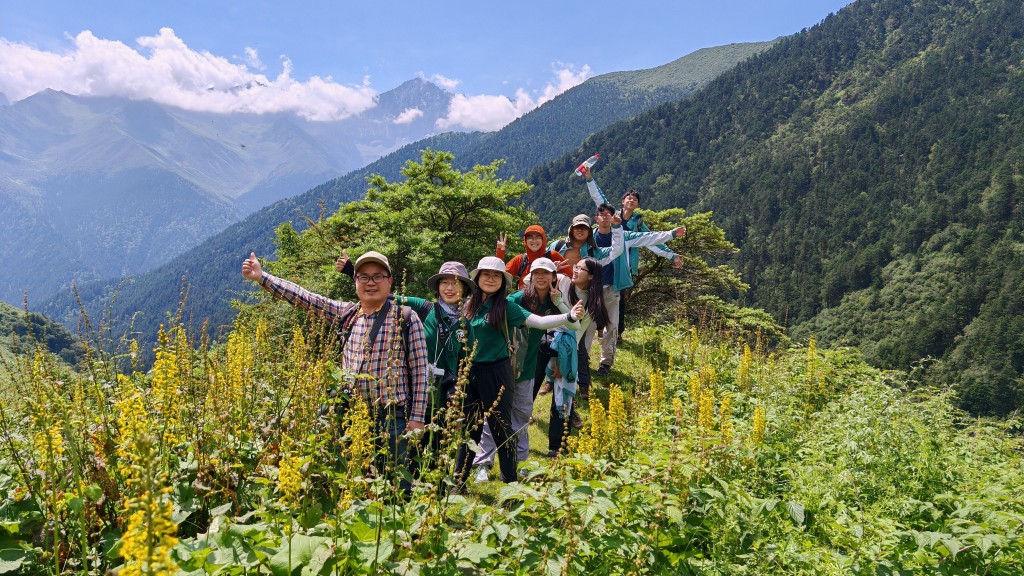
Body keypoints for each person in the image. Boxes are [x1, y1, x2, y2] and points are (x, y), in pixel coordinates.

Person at [241, 250, 430, 479]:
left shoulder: (406, 319)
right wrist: (262, 277)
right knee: (349, 479)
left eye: (378, 276)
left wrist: (417, 418)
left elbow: (420, 372)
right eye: (364, 277)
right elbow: (305, 298)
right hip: (349, 415)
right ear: (356, 281)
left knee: (394, 484)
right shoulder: (348, 313)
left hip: (391, 419)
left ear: (389, 281)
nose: (371, 283)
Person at [453, 256, 584, 490]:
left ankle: (511, 479)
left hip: (503, 370)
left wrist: (568, 314)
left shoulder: (507, 306)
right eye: (486, 275)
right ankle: (463, 478)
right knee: (471, 426)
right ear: (478, 278)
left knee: (505, 424)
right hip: (471, 373)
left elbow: (541, 322)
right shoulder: (471, 304)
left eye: (496, 276)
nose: (490, 279)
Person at [579, 165, 684, 343]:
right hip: (600, 264)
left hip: (622, 266)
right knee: (595, 298)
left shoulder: (636, 224)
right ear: (621, 201)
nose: (631, 200)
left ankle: (615, 335)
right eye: (628, 197)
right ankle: (594, 332)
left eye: (635, 199)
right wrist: (589, 178)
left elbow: (650, 239)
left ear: (638, 204)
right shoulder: (611, 215)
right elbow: (599, 198)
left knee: (617, 302)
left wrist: (671, 253)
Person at [586, 203, 687, 377]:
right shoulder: (588, 237)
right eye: (601, 214)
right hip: (591, 288)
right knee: (588, 324)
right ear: (596, 218)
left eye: (608, 214)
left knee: (611, 325)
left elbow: (648, 237)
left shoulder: (624, 236)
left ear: (614, 217)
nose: (605, 217)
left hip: (612, 286)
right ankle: (583, 359)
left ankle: (605, 363)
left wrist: (670, 234)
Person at [544, 257, 608, 457]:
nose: (575, 270)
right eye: (575, 267)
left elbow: (577, 330)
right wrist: (550, 273)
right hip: (542, 337)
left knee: (561, 396)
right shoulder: (563, 281)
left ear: (591, 276)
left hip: (563, 347)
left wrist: (562, 361)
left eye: (580, 268)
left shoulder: (591, 300)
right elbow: (532, 280)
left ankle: (557, 446)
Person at [495, 225, 572, 289]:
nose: (534, 240)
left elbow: (572, 279)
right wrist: (500, 253)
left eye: (538, 237)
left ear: (543, 240)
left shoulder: (553, 256)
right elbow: (499, 276)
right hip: (524, 302)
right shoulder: (521, 260)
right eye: (530, 237)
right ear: (525, 240)